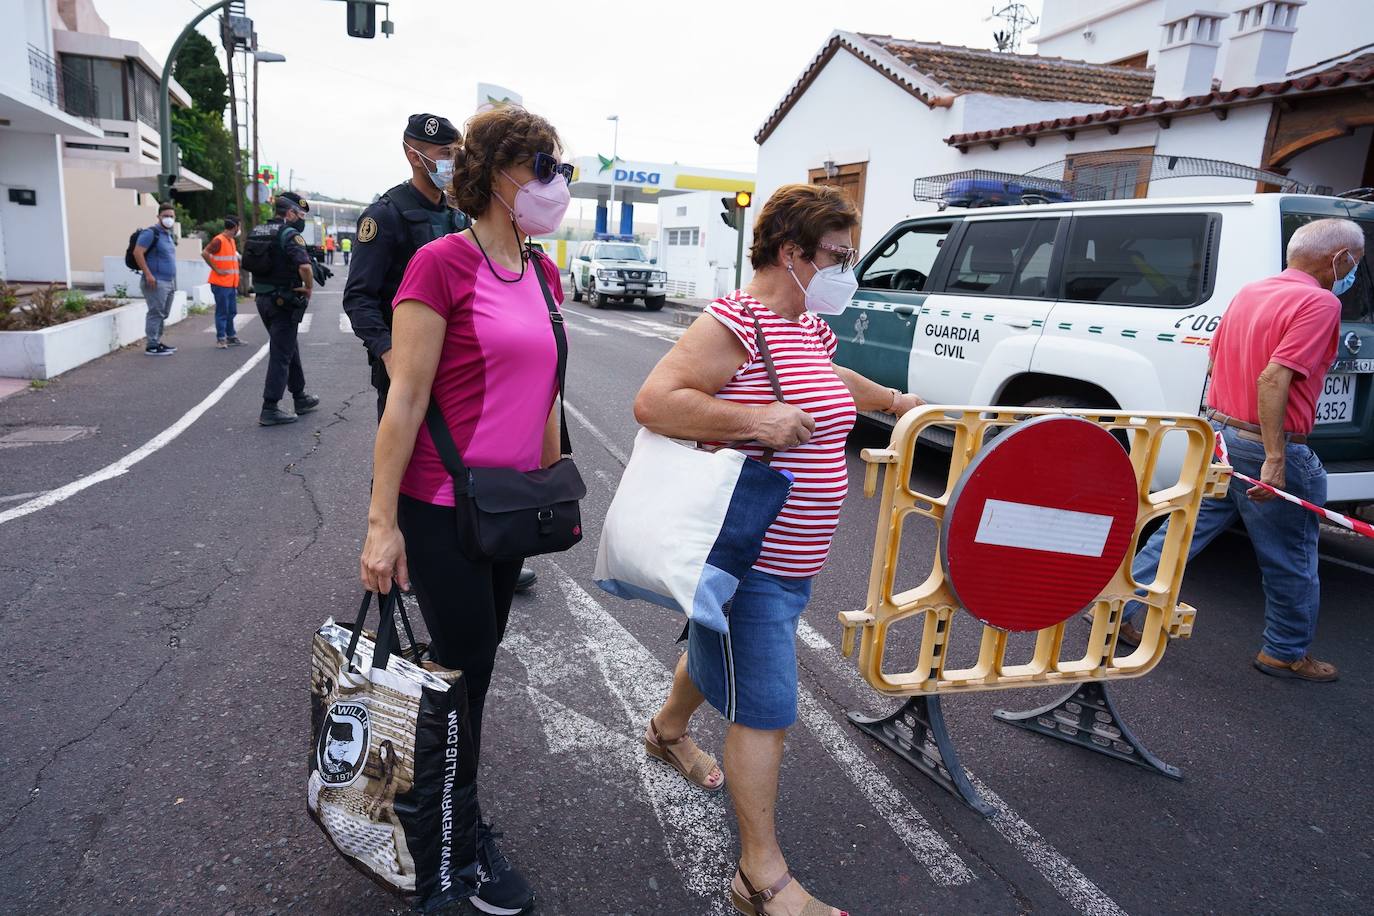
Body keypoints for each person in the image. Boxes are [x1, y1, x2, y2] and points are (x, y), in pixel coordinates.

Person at [634, 184, 925, 916]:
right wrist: (753, 421)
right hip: (747, 562)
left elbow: (831, 381)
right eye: (837, 255)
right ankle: (758, 877)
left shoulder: (806, 326)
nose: (846, 270)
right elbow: (656, 401)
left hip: (792, 563)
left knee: (713, 652)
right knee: (766, 709)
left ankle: (666, 731)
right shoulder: (734, 320)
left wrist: (893, 401)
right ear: (792, 253)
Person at [360, 104, 575, 916]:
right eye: (543, 169)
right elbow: (404, 401)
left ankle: (453, 817)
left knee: (471, 679)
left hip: (509, 509)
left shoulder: (542, 269)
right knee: (462, 677)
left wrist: (555, 482)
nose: (555, 186)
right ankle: (449, 850)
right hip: (444, 505)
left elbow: (546, 391)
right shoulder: (440, 266)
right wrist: (381, 527)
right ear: (496, 175)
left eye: (559, 168)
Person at [1116, 217, 1363, 682]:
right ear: (1340, 259)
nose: (1353, 271)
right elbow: (1274, 377)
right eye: (1356, 262)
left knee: (1181, 529)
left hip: (1221, 437)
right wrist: (1275, 459)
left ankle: (1124, 612)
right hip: (1266, 445)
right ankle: (1285, 651)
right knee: (1291, 556)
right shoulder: (1321, 302)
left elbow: (1214, 358)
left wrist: (1211, 430)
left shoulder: (1250, 292)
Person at [345, 112, 536, 592]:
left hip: (457, 370)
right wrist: (389, 353)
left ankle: (482, 543)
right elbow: (361, 297)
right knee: (406, 457)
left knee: (470, 457)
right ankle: (395, 552)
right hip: (405, 364)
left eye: (456, 154)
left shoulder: (456, 218)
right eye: (443, 155)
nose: (451, 163)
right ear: (414, 154)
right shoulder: (384, 215)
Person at [246, 191, 320, 426]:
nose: (301, 219)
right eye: (299, 214)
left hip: (263, 299)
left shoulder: (258, 230)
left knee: (288, 346)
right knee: (281, 353)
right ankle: (270, 407)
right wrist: (308, 288)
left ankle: (300, 397)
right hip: (283, 301)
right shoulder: (289, 234)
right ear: (289, 213)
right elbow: (305, 267)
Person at [132, 202, 179, 356]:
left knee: (163, 313)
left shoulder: (168, 235)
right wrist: (148, 274)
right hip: (155, 281)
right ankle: (152, 345)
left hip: (168, 281)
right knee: (155, 312)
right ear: (158, 216)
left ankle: (157, 342)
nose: (168, 219)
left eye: (171, 216)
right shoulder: (151, 233)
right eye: (165, 216)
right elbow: (137, 253)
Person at [201, 216, 243, 349]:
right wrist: (217, 269)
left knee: (231, 311)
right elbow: (205, 253)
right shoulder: (219, 240)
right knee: (222, 312)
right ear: (235, 227)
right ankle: (221, 339)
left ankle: (231, 337)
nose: (239, 229)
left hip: (230, 283)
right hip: (220, 283)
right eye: (239, 226)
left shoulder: (230, 241)